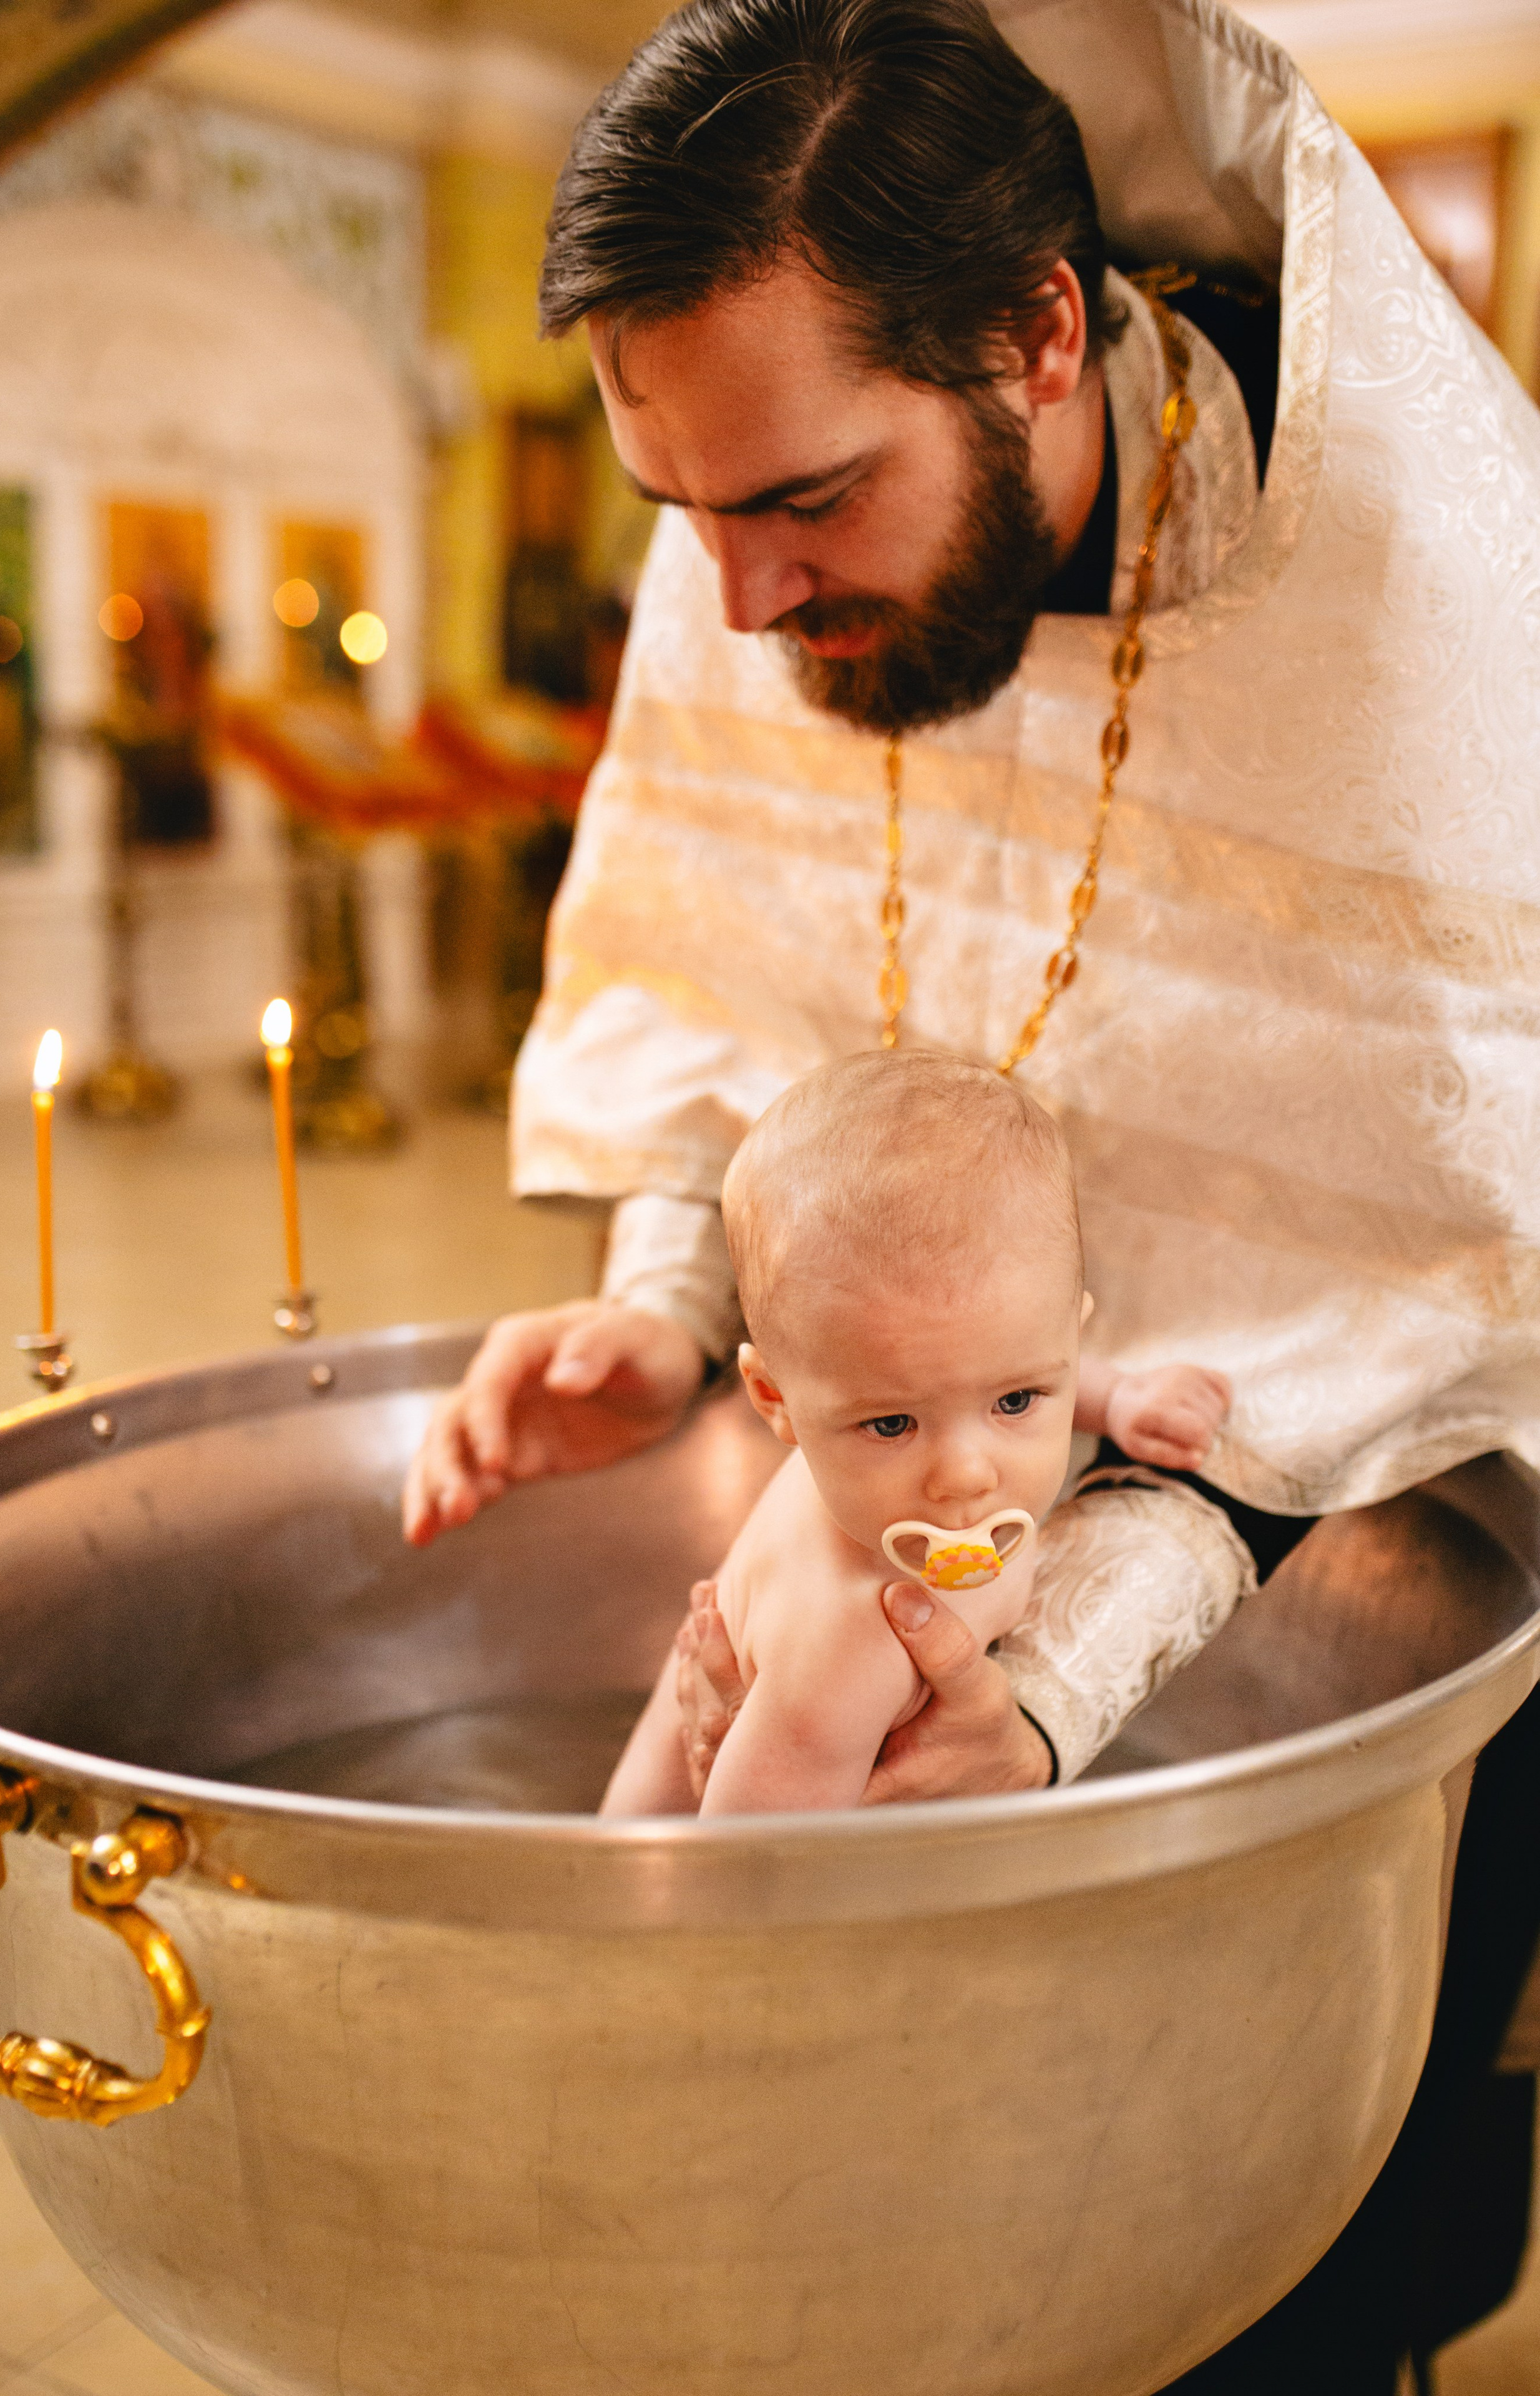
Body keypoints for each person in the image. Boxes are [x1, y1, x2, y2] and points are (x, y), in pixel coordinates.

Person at [402, 0, 1540, 2381]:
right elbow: (738, 957)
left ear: (1035, 336)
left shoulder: (1418, 602)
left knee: (1277, 2295)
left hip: (1346, 1600)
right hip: (920, 1543)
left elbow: (1396, 1270)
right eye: (683, 517)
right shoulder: (761, 501)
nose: (736, 607)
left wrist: (1041, 1689)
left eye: (802, 508)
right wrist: (670, 1289)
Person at [601, 1049, 1234, 1813]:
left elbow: (1001, 1362)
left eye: (1015, 1402)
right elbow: (747, 1867)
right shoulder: (850, 1657)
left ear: (1071, 1338)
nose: (966, 1474)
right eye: (892, 1424)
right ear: (774, 1400)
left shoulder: (895, 1375)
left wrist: (1123, 1398)